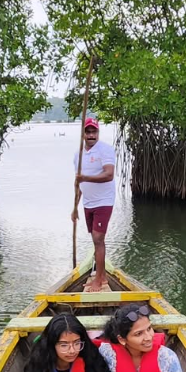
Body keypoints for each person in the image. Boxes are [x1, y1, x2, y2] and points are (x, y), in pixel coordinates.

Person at [72, 117, 115, 293]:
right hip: (88, 203)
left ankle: (98, 280)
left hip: (104, 201)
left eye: (94, 132)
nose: (91, 135)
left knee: (98, 239)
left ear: (98, 133)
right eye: (88, 132)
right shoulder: (78, 155)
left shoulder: (105, 150)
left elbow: (109, 175)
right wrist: (75, 207)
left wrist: (85, 178)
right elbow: (78, 184)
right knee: (95, 239)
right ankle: (102, 276)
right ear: (83, 134)